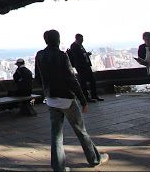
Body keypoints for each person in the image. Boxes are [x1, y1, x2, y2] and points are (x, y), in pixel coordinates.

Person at [35, 29, 109, 172]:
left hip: (51, 99)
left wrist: (47, 90)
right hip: (67, 99)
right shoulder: (62, 55)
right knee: (81, 131)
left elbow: (38, 76)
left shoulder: (40, 55)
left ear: (45, 40)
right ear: (58, 40)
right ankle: (94, 159)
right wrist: (83, 100)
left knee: (56, 135)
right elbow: (71, 79)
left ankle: (58, 167)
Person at [68, 34, 103, 102]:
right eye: (81, 39)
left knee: (92, 80)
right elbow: (77, 56)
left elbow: (82, 53)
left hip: (86, 65)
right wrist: (85, 54)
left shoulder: (80, 45)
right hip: (80, 66)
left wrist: (86, 54)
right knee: (83, 82)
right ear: (77, 39)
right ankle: (86, 97)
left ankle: (94, 95)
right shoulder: (74, 46)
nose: (82, 40)